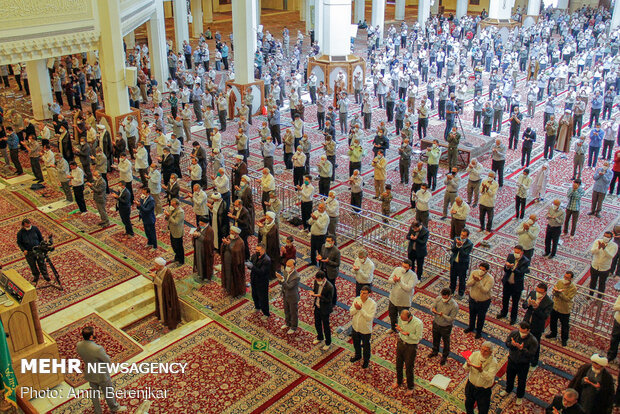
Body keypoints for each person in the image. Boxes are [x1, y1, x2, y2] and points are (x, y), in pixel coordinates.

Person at [76, 326, 127, 414]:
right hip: (101, 374)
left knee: (94, 393)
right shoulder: (97, 348)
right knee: (108, 391)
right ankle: (114, 407)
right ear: (91, 336)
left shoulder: (79, 345)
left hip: (89, 372)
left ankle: (98, 411)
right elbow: (107, 360)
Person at [500, 322, 539, 406]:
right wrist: (512, 344)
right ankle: (508, 389)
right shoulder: (514, 333)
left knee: (521, 381)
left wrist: (522, 349)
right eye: (520, 331)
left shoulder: (533, 341)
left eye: (523, 332)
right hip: (512, 360)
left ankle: (519, 396)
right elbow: (507, 343)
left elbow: (532, 355)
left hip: (523, 364)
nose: (521, 334)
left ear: (528, 331)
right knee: (509, 377)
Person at [392, 309, 423, 395]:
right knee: (398, 364)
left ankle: (410, 387)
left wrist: (408, 334)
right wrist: (400, 330)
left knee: (409, 367)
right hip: (401, 343)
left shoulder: (418, 323)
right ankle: (399, 381)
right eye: (401, 319)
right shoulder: (401, 318)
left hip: (411, 346)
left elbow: (418, 337)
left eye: (404, 320)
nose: (402, 321)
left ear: (409, 318)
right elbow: (401, 330)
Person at [522, 282, 553, 368]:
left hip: (537, 325)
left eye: (541, 292)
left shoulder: (549, 302)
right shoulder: (532, 293)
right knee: (524, 339)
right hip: (527, 321)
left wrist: (536, 308)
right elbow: (524, 305)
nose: (538, 293)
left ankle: (534, 360)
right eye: (537, 291)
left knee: (535, 343)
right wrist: (528, 304)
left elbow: (544, 316)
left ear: (545, 292)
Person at [498, 245, 530, 325]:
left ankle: (513, 318)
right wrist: (508, 267)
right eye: (515, 252)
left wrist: (513, 268)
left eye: (517, 252)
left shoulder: (525, 261)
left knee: (515, 303)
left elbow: (521, 272)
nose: (515, 253)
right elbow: (505, 269)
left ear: (521, 252)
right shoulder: (511, 256)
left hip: (516, 286)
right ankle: (503, 313)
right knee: (505, 299)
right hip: (507, 283)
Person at [464, 342, 499, 414]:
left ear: (490, 352)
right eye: (482, 349)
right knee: (468, 405)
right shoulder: (475, 354)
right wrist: (467, 365)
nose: (483, 352)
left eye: (485, 351)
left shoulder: (493, 362)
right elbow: (465, 368)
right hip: (471, 386)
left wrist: (481, 371)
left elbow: (489, 377)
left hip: (483, 390)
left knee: (483, 410)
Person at [547, 271, 577, 347]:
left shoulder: (573, 288)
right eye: (565, 276)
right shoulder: (560, 282)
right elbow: (554, 291)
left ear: (571, 279)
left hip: (564, 309)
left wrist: (560, 293)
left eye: (567, 277)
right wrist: (556, 291)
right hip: (556, 306)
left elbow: (568, 299)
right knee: (553, 321)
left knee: (564, 325)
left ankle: (564, 339)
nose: (565, 278)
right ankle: (553, 333)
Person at [149, 257, 181, 329]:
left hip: (166, 293)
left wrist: (155, 277)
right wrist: (155, 276)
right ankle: (162, 318)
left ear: (161, 266)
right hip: (160, 290)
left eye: (157, 266)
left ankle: (166, 320)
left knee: (165, 305)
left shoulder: (167, 272)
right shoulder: (160, 270)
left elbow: (164, 284)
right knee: (160, 304)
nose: (155, 267)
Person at [349, 286, 377, 369]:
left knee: (366, 346)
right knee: (356, 343)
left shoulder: (372, 304)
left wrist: (360, 309)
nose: (361, 294)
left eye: (364, 293)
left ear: (368, 294)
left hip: (365, 329)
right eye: (361, 292)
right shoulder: (357, 299)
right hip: (355, 327)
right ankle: (357, 355)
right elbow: (351, 312)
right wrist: (357, 309)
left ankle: (366, 360)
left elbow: (369, 318)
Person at [429, 287, 458, 365]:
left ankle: (444, 356)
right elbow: (432, 307)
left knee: (446, 342)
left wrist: (442, 315)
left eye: (444, 297)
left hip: (446, 327)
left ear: (449, 296)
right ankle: (435, 351)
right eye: (442, 296)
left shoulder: (454, 306)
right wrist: (433, 310)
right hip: (436, 323)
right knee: (435, 338)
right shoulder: (438, 299)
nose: (443, 298)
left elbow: (451, 319)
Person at [387, 260, 418, 332]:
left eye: (405, 267)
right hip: (393, 298)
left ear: (409, 267)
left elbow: (408, 288)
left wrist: (399, 281)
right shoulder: (397, 269)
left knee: (404, 319)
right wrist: (394, 280)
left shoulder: (413, 276)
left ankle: (403, 332)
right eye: (403, 266)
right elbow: (389, 280)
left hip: (404, 301)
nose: (403, 268)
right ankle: (393, 328)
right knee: (392, 315)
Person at [465, 262, 494, 338]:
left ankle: (478, 332)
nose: (481, 271)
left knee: (481, 317)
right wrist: (474, 280)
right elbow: (468, 284)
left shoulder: (490, 279)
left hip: (483, 302)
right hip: (473, 299)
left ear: (487, 271)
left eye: (483, 270)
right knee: (472, 314)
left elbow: (485, 290)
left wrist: (479, 282)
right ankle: (471, 327)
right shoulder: (474, 272)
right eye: (480, 269)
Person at [16, 218, 50, 284]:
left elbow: (40, 238)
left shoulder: (35, 229)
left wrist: (42, 246)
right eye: (27, 226)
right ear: (23, 226)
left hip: (38, 249)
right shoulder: (20, 233)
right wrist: (24, 250)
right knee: (32, 265)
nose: (29, 227)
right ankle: (36, 276)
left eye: (29, 225)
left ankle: (45, 275)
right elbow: (19, 243)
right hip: (29, 252)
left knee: (42, 263)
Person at [589, 231, 618, 296]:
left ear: (611, 238)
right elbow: (592, 252)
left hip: (604, 268)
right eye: (605, 236)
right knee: (593, 282)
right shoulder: (597, 241)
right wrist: (599, 248)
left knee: (601, 284)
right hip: (595, 266)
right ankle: (590, 294)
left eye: (608, 237)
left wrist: (604, 248)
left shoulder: (614, 246)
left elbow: (610, 256)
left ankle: (599, 297)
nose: (606, 238)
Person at [311, 270, 334, 351]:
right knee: (317, 323)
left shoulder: (329, 287)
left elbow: (329, 300)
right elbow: (315, 290)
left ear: (323, 279)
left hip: (325, 309)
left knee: (326, 326)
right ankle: (320, 337)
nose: (317, 281)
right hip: (317, 306)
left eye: (319, 280)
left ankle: (328, 342)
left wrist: (320, 296)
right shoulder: (316, 282)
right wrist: (313, 293)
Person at [220, 227, 246, 297]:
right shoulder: (229, 237)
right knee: (227, 274)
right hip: (227, 260)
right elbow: (224, 247)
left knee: (234, 277)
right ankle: (227, 288)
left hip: (235, 263)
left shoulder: (240, 242)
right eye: (230, 232)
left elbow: (237, 252)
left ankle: (235, 291)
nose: (230, 234)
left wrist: (229, 245)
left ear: (236, 234)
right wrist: (224, 244)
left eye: (232, 232)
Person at [276, 259, 300, 334]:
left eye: (289, 266)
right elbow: (282, 283)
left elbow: (289, 286)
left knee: (293, 312)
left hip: (292, 296)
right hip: (285, 294)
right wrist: (279, 279)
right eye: (286, 265)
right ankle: (288, 323)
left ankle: (293, 327)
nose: (287, 267)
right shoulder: (285, 272)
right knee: (286, 310)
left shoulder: (296, 276)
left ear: (293, 266)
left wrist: (282, 280)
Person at [249, 244, 271, 319]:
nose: (256, 251)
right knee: (254, 295)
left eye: (258, 250)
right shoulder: (254, 256)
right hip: (254, 279)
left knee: (263, 298)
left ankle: (266, 313)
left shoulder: (266, 260)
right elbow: (251, 263)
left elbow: (262, 272)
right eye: (256, 250)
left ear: (263, 250)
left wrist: (252, 267)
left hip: (262, 282)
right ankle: (257, 307)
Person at [317, 235, 341, 305]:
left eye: (328, 241)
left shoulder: (336, 251)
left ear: (333, 242)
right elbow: (322, 255)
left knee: (331, 287)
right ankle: (324, 299)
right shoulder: (323, 246)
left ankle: (333, 302)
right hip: (323, 269)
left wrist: (328, 261)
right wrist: (320, 257)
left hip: (331, 272)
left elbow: (337, 264)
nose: (327, 242)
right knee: (324, 286)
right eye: (326, 240)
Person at [192, 216, 214, 281]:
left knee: (205, 263)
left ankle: (206, 276)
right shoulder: (199, 227)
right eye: (200, 223)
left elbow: (208, 241)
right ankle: (200, 274)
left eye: (201, 224)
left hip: (205, 250)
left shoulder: (210, 230)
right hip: (198, 249)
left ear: (205, 223)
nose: (200, 225)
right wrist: (195, 235)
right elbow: (196, 233)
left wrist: (199, 235)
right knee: (199, 261)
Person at [165, 198, 185, 265]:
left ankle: (181, 260)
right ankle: (177, 257)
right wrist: (167, 216)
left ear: (176, 204)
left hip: (177, 232)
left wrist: (169, 216)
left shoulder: (180, 212)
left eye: (172, 204)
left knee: (179, 247)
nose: (171, 205)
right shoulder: (172, 209)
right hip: (172, 230)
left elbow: (176, 222)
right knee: (174, 246)